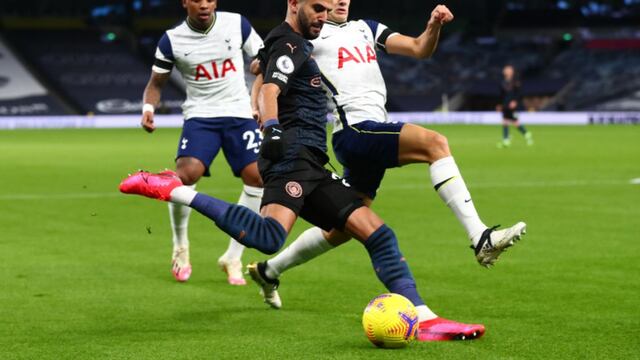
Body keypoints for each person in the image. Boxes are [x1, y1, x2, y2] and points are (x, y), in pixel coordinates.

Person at [120, 0, 484, 342]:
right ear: (294, 3)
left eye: (325, 9)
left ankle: (422, 318)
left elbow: (261, 74)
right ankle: (173, 188)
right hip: (291, 156)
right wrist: (272, 127)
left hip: (312, 162)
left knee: (378, 233)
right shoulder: (291, 43)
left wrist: (260, 84)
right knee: (268, 237)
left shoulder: (290, 42)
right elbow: (271, 89)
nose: (322, 16)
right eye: (315, 8)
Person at [247, 0, 527, 334]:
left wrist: (434, 25)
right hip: (353, 131)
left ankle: (269, 271)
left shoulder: (367, 28)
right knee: (434, 143)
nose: (340, 2)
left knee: (344, 229)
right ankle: (480, 235)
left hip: (373, 129)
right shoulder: (310, 35)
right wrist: (261, 112)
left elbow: (418, 49)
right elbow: (264, 71)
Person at [140, 0, 265, 285]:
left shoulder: (237, 24)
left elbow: (261, 59)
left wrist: (261, 65)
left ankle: (233, 256)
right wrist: (148, 110)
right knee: (184, 177)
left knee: (258, 178)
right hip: (200, 116)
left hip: (238, 113)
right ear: (186, 3)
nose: (204, 5)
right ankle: (180, 246)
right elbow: (156, 83)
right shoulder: (171, 40)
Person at [496, 64, 533, 147]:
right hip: (505, 105)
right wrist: (499, 104)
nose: (507, 71)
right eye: (506, 69)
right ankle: (506, 140)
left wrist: (515, 101)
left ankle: (526, 134)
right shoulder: (502, 82)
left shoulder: (515, 82)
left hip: (513, 106)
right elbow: (501, 95)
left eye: (508, 69)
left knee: (515, 122)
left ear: (512, 71)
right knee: (505, 122)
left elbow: (519, 94)